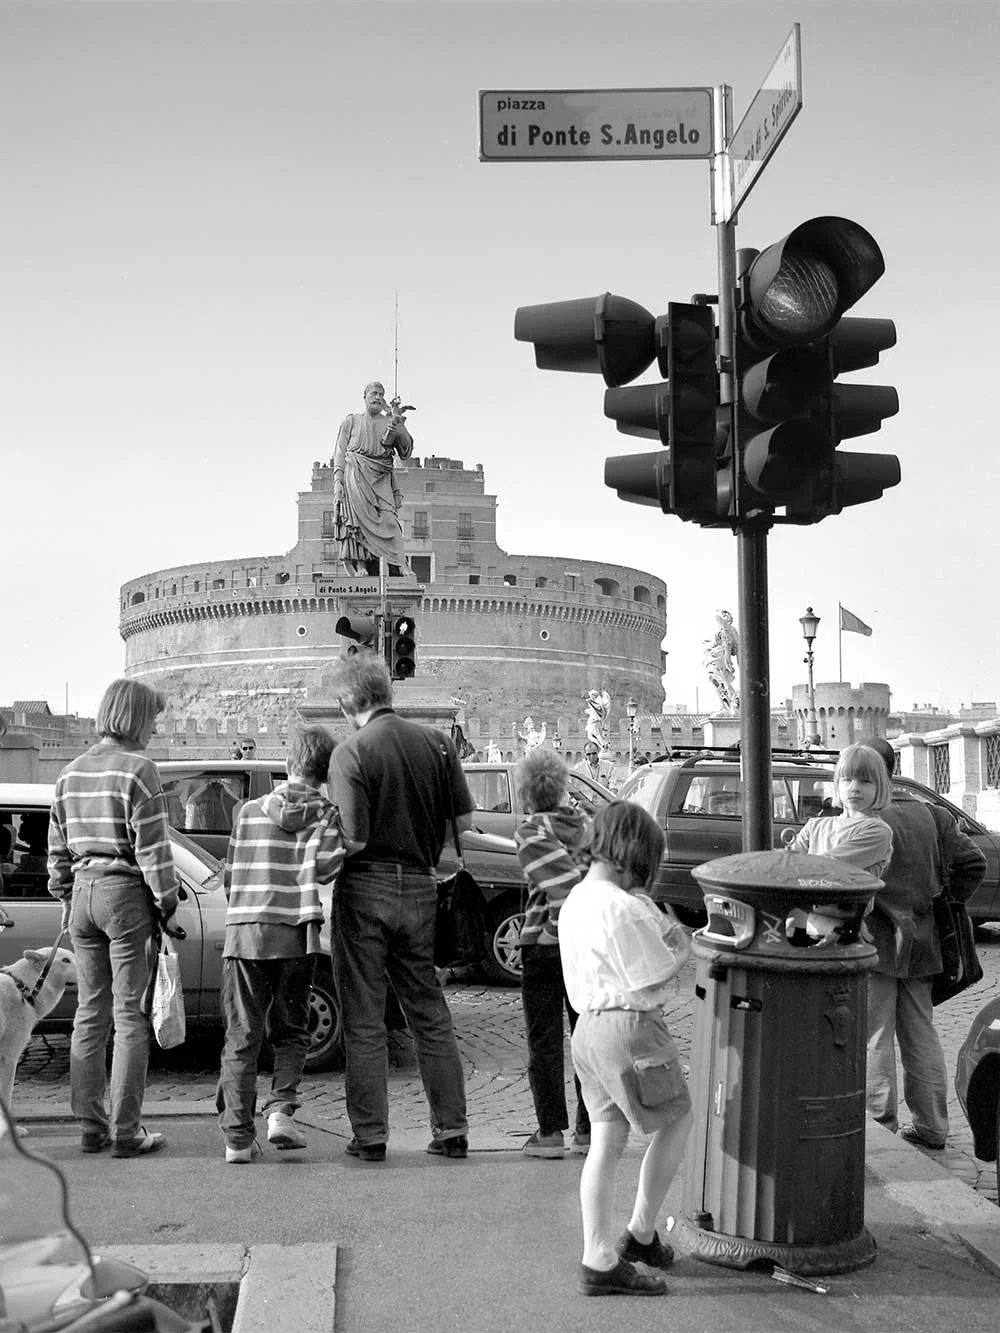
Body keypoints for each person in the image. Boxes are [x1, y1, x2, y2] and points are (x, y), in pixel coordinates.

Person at [326, 654, 473, 1161]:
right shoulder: (437, 744)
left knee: (365, 1017)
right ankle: (451, 1129)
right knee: (429, 1011)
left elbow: (354, 836)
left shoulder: (350, 752)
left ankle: (370, 1137)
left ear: (348, 702)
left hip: (365, 887)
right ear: (387, 692)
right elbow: (465, 816)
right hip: (420, 885)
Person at [559, 802, 693, 1298]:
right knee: (679, 1118)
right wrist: (680, 944)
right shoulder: (625, 905)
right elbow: (654, 972)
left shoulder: (575, 899)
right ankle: (638, 1232)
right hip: (630, 1029)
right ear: (634, 856)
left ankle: (598, 1254)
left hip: (588, 1031)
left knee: (605, 1144)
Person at [47, 678, 180, 1158]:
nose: (154, 728)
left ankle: (90, 1126)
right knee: (129, 1016)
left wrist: (66, 896)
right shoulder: (140, 771)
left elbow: (56, 851)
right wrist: (167, 901)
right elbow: (154, 850)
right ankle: (127, 1130)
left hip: (82, 895)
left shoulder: (69, 773)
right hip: (124, 894)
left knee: (89, 1013)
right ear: (134, 717)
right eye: (152, 718)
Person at [216, 725, 344, 1164]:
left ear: (288, 765)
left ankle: (236, 1138)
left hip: (246, 931)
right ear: (326, 772)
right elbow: (327, 870)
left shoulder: (249, 811)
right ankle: (280, 1111)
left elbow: (231, 876)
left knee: (242, 1034)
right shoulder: (326, 815)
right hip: (296, 935)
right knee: (291, 1031)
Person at [863, 737, 986, 1149]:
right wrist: (944, 902)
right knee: (920, 1033)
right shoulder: (932, 815)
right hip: (922, 937)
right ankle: (932, 1124)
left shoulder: (862, 817)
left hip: (876, 942)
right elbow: (973, 862)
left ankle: (880, 1126)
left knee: (875, 1035)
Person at [514, 749, 591, 1159]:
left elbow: (564, 886)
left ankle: (549, 1133)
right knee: (584, 1038)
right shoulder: (586, 827)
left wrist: (552, 934)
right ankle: (587, 1129)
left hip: (547, 948)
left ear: (527, 792)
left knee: (544, 1041)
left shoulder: (530, 831)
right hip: (586, 947)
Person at [330, 380, 413, 576]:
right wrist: (337, 481)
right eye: (374, 393)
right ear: (364, 397)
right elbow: (340, 451)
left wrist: (398, 424)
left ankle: (401, 564)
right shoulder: (351, 421)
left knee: (390, 520)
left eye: (381, 394)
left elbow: (406, 451)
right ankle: (361, 565)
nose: (378, 397)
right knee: (357, 521)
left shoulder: (389, 421)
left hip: (381, 475)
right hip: (356, 474)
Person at [788, 742, 894, 877]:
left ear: (879, 787)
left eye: (865, 781)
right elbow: (788, 864)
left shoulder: (878, 831)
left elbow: (830, 865)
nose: (854, 788)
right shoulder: (815, 826)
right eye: (847, 780)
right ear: (837, 784)